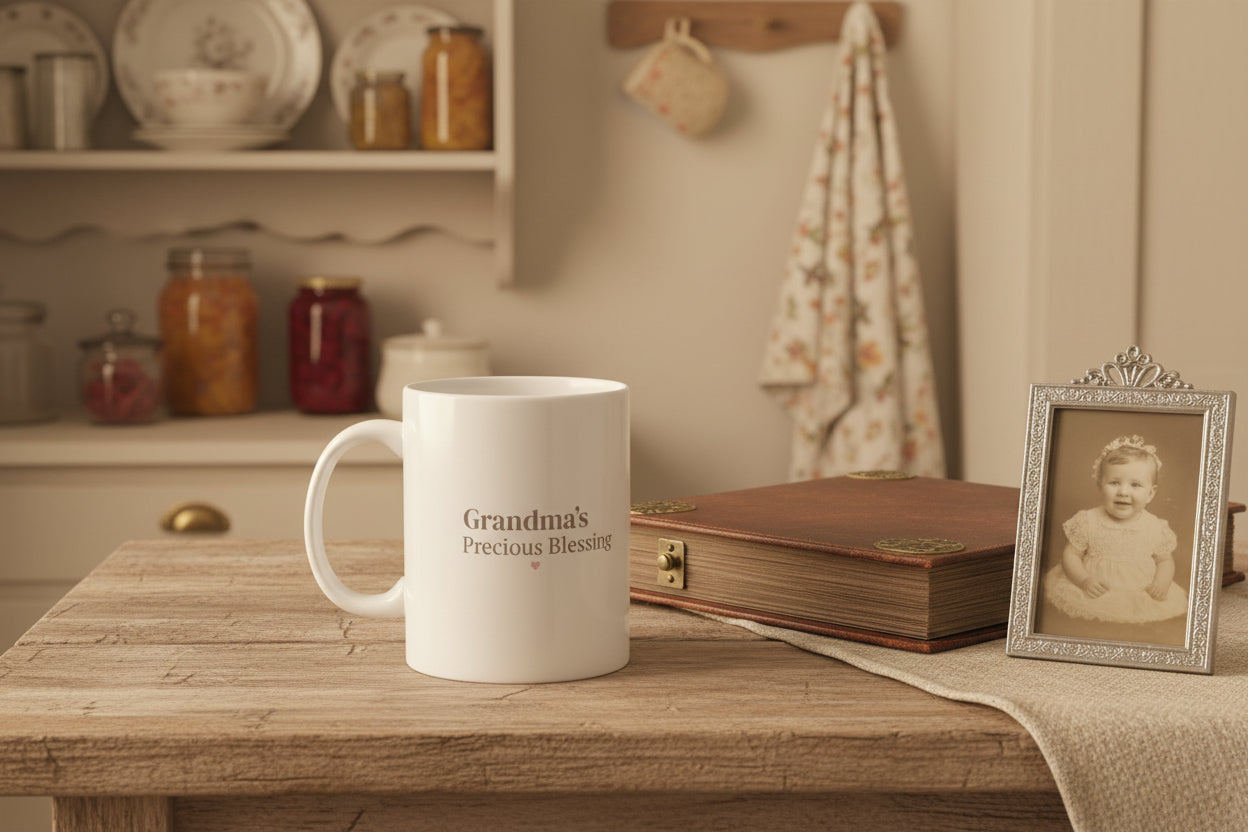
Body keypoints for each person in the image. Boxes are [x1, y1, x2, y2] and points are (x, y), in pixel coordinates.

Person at [1044, 435, 1188, 624]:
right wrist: (1084, 580)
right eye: (1114, 483)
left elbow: (1164, 560)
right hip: (1096, 589)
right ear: (1100, 485)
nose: (1123, 492)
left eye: (1135, 484)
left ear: (1151, 493)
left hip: (1138, 592)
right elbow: (1071, 555)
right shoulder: (1088, 520)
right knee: (1089, 623)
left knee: (1139, 625)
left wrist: (1161, 583)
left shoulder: (1155, 526)